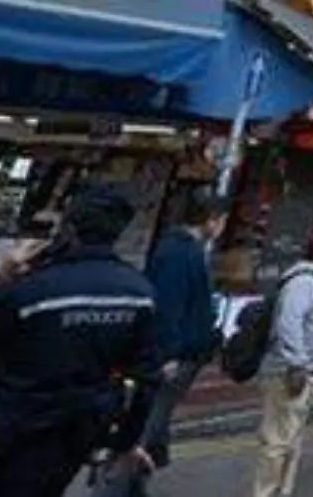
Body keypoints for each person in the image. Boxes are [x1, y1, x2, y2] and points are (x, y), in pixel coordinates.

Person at [0, 185, 162, 497]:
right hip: (66, 442)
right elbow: (147, 378)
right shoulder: (139, 294)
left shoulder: (32, 286)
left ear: (68, 229)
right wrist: (126, 441)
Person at [97, 189, 228, 497]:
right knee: (141, 433)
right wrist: (165, 356)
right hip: (171, 359)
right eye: (221, 220)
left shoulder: (184, 249)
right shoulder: (180, 252)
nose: (221, 226)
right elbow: (167, 308)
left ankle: (134, 489)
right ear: (211, 220)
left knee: (150, 431)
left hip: (181, 355)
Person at [252, 227, 313, 497]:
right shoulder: (304, 280)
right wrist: (296, 362)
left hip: (304, 371)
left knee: (290, 439)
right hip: (288, 372)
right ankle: (265, 492)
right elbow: (289, 321)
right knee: (277, 440)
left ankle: (282, 490)